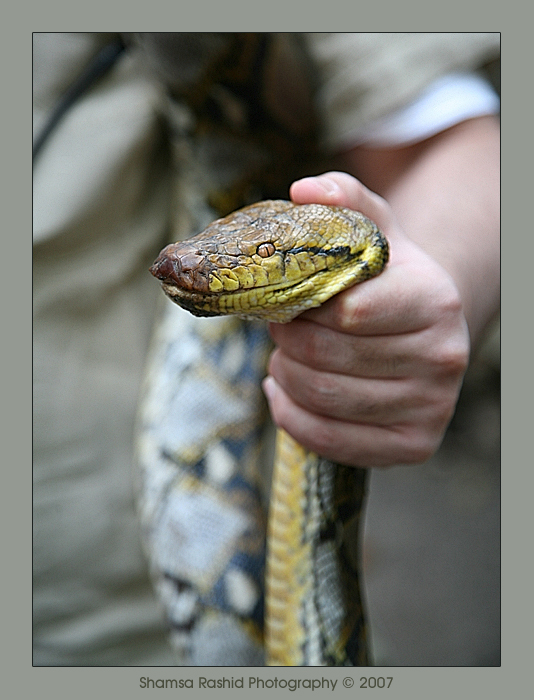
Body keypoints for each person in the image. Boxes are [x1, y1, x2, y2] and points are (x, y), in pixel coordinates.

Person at [33, 32, 500, 666]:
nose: (215, 263)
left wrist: (419, 315)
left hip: (137, 624)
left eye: (261, 256)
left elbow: (457, 143)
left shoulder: (336, 247)